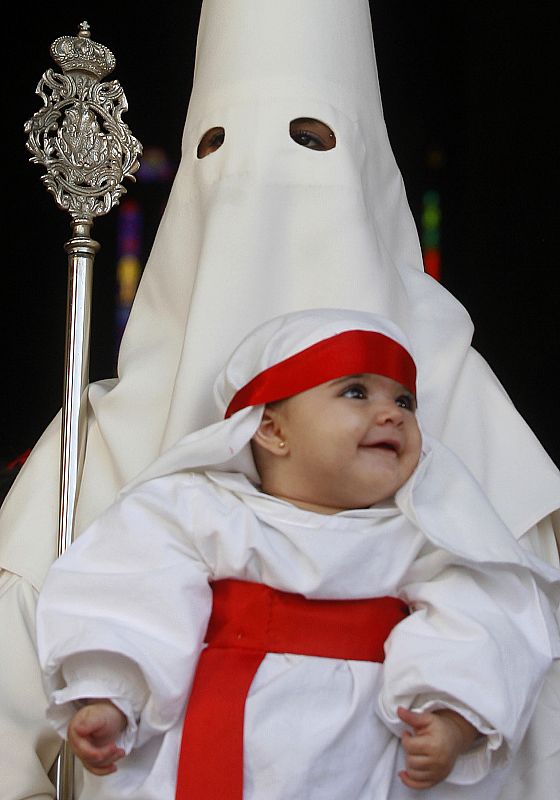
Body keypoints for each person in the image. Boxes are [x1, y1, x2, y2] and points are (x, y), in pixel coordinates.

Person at [2, 2, 559, 797]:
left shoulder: (469, 428)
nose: (265, 180)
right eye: (218, 150)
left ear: (367, 173)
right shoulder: (94, 444)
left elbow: (535, 702)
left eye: (312, 141)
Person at [36, 309, 559, 800]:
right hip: (213, 739)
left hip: (368, 758)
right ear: (271, 429)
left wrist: (453, 716)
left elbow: (483, 617)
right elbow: (134, 588)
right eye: (356, 392)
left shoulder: (428, 534)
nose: (392, 415)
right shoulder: (198, 509)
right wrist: (110, 695)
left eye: (405, 402)